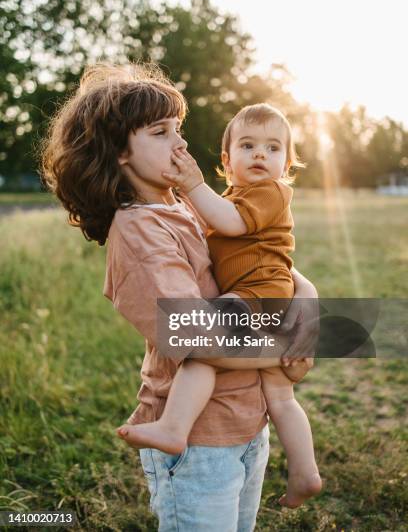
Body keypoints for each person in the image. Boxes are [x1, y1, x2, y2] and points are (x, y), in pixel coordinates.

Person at [42, 63, 319, 531]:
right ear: (120, 153)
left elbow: (269, 268)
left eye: (180, 129)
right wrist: (286, 345)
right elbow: (195, 338)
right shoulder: (139, 230)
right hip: (200, 443)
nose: (182, 144)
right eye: (161, 131)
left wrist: (306, 318)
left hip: (245, 422)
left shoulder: (183, 206)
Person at [117, 103, 322, 508]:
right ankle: (305, 472)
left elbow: (229, 223)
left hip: (254, 296)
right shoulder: (229, 198)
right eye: (248, 145)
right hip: (269, 299)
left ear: (288, 163)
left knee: (200, 355)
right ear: (226, 162)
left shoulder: (270, 192)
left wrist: (193, 184)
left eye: (273, 148)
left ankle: (175, 425)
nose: (261, 154)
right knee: (281, 398)